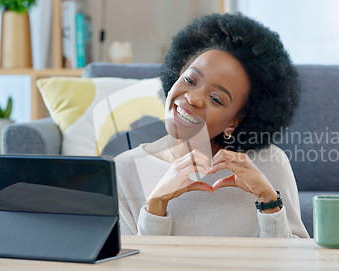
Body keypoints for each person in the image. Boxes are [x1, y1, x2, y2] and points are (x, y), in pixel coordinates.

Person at [114, 13, 309, 238]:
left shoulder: (270, 164)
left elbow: (293, 259)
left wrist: (269, 202)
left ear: (234, 122)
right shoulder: (125, 169)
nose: (194, 98)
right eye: (189, 80)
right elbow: (129, 262)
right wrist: (156, 205)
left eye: (216, 99)